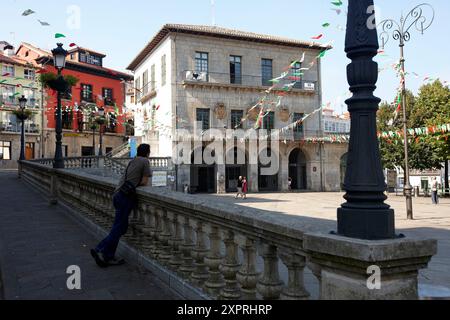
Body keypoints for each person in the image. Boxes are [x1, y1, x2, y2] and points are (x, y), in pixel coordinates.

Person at [91, 144, 152, 268]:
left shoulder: (133, 160)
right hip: (125, 197)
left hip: (117, 194)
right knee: (118, 228)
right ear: (148, 153)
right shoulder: (145, 161)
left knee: (121, 227)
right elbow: (145, 182)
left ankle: (109, 256)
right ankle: (100, 249)